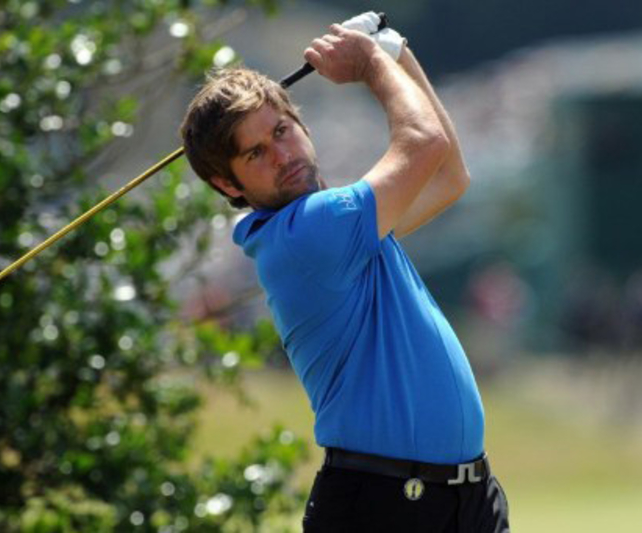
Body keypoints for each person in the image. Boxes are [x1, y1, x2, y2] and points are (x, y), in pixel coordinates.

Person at [180, 12, 510, 533]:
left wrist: (395, 51)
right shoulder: (309, 233)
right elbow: (425, 143)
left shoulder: (346, 224)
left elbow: (449, 176)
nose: (282, 155)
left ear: (302, 125)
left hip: (464, 500)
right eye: (256, 153)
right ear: (227, 184)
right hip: (383, 504)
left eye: (282, 130)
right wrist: (372, 63)